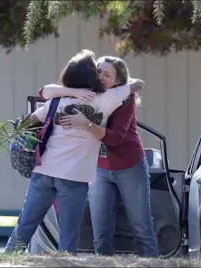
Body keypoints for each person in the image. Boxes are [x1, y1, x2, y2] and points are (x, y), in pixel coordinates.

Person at [4, 49, 145, 255]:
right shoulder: (105, 98)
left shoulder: (56, 101)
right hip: (74, 177)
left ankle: (7, 259)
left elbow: (33, 116)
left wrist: (70, 92)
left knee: (24, 227)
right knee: (68, 237)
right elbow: (137, 85)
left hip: (44, 171)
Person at [52, 56, 159, 257]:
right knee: (100, 232)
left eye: (107, 74)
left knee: (141, 227)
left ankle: (151, 262)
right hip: (99, 168)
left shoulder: (125, 100)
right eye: (99, 70)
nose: (100, 76)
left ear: (118, 83)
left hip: (129, 166)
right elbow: (46, 92)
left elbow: (115, 139)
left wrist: (86, 124)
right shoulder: (88, 91)